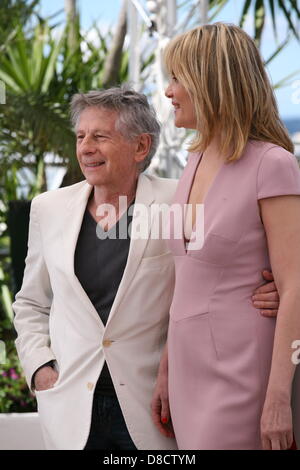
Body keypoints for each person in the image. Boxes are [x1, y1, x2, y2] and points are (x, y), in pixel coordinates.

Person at [13, 85, 279, 450]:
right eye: (81, 136)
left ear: (140, 147)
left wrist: (274, 284)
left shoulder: (179, 200)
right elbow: (31, 303)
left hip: (155, 407)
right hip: (71, 409)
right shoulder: (48, 208)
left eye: (100, 136)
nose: (85, 147)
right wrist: (40, 368)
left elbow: (233, 261)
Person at [151, 22, 300, 451]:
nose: (169, 91)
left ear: (211, 82)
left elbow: (293, 288)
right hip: (186, 371)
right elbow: (187, 282)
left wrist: (278, 397)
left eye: (178, 78)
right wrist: (166, 369)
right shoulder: (194, 160)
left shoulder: (272, 164)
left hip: (243, 374)